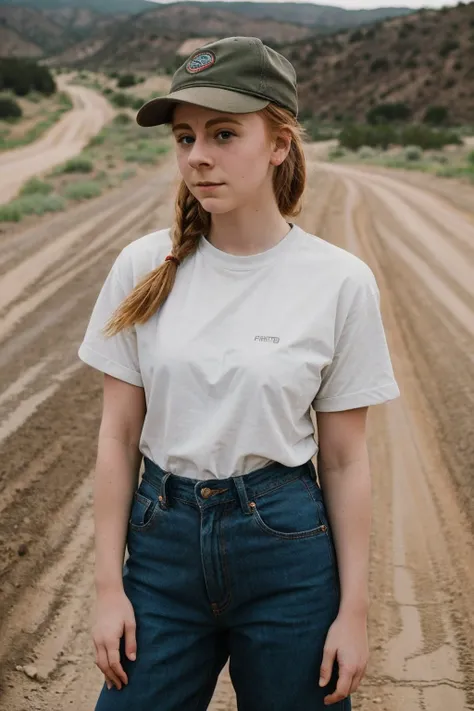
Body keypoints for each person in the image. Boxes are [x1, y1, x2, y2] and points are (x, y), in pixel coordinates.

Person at [78, 36, 400, 711]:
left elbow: (344, 459)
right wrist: (111, 587)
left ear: (279, 142)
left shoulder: (338, 282)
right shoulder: (143, 268)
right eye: (185, 136)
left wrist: (355, 611)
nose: (199, 155)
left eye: (224, 133)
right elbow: (117, 436)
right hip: (161, 555)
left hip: (286, 554)